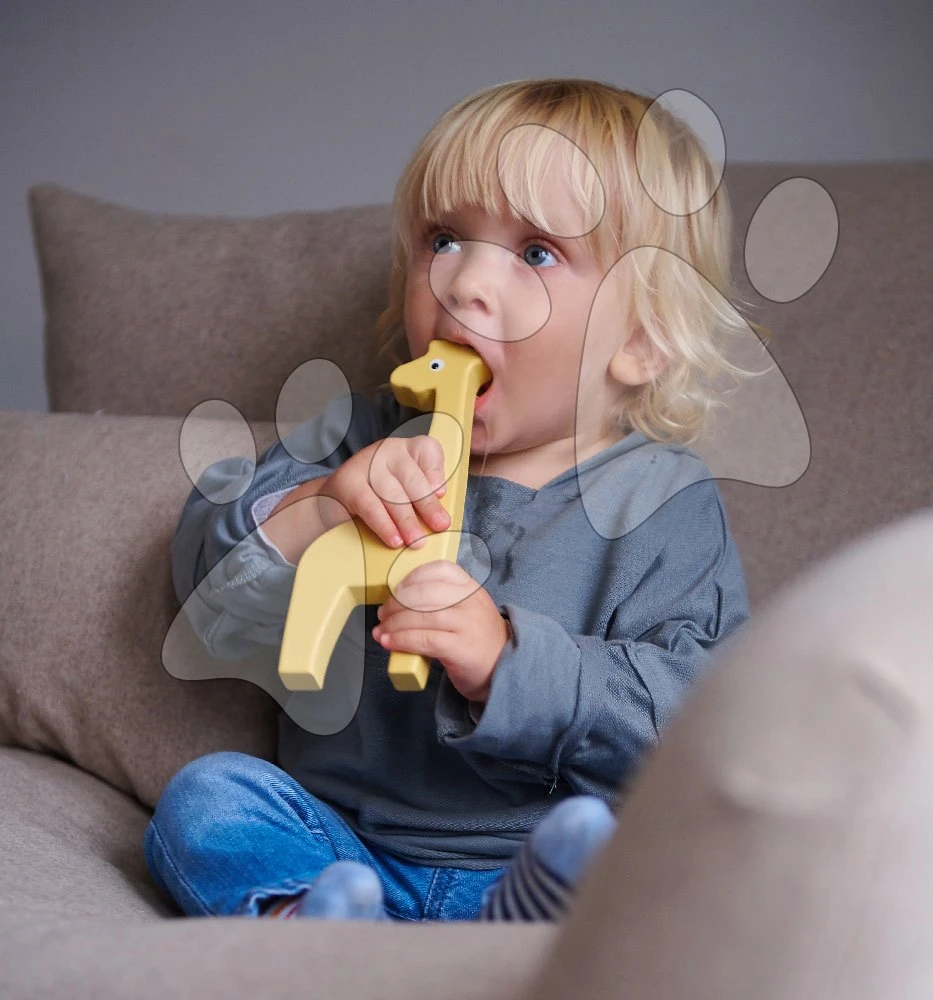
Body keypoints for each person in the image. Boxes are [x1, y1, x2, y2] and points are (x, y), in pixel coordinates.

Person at [144, 77, 753, 923]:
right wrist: (320, 507)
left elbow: (701, 711)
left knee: (640, 858)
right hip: (350, 844)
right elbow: (201, 586)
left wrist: (510, 660)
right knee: (207, 799)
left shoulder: (663, 502)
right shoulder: (359, 435)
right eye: (445, 239)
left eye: (536, 252)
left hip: (537, 856)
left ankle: (530, 930)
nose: (465, 281)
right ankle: (312, 924)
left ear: (642, 339)